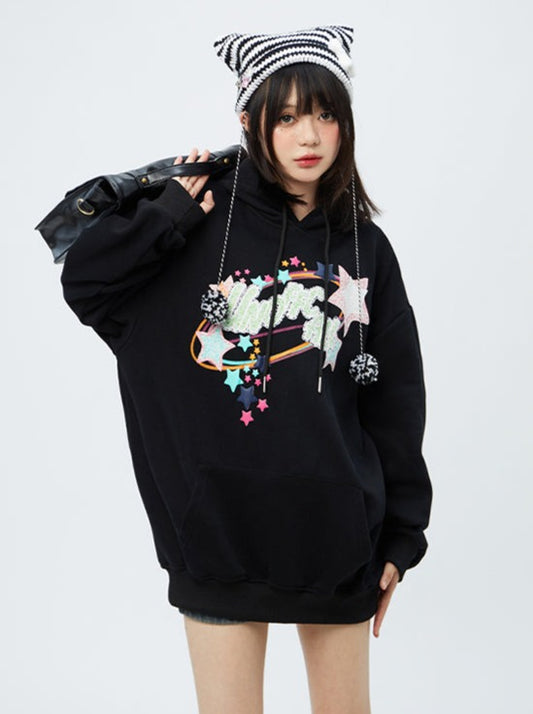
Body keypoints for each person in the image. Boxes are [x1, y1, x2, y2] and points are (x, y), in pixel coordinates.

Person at [60, 24, 432, 714]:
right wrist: (167, 214)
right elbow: (87, 284)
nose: (308, 135)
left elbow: (395, 398)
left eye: (324, 113)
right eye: (285, 117)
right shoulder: (193, 223)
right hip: (217, 540)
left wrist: (403, 534)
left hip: (336, 538)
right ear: (246, 120)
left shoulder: (365, 249)